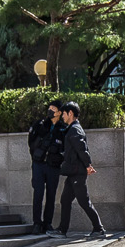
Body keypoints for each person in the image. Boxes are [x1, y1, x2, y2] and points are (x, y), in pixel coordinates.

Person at [53, 99, 106, 238]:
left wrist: (88, 165)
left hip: (77, 172)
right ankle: (62, 230)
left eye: (64, 113)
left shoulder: (75, 130)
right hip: (73, 172)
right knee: (65, 200)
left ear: (70, 113)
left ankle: (99, 229)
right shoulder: (73, 129)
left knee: (84, 201)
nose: (62, 116)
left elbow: (82, 149)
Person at [27, 100, 66, 234]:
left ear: (60, 112)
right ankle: (37, 223)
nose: (50, 111)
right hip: (38, 164)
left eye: (53, 108)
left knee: (51, 194)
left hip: (53, 166)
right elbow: (31, 142)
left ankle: (47, 223)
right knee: (38, 193)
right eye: (49, 108)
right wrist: (36, 155)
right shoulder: (40, 124)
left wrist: (58, 159)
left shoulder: (62, 128)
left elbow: (65, 148)